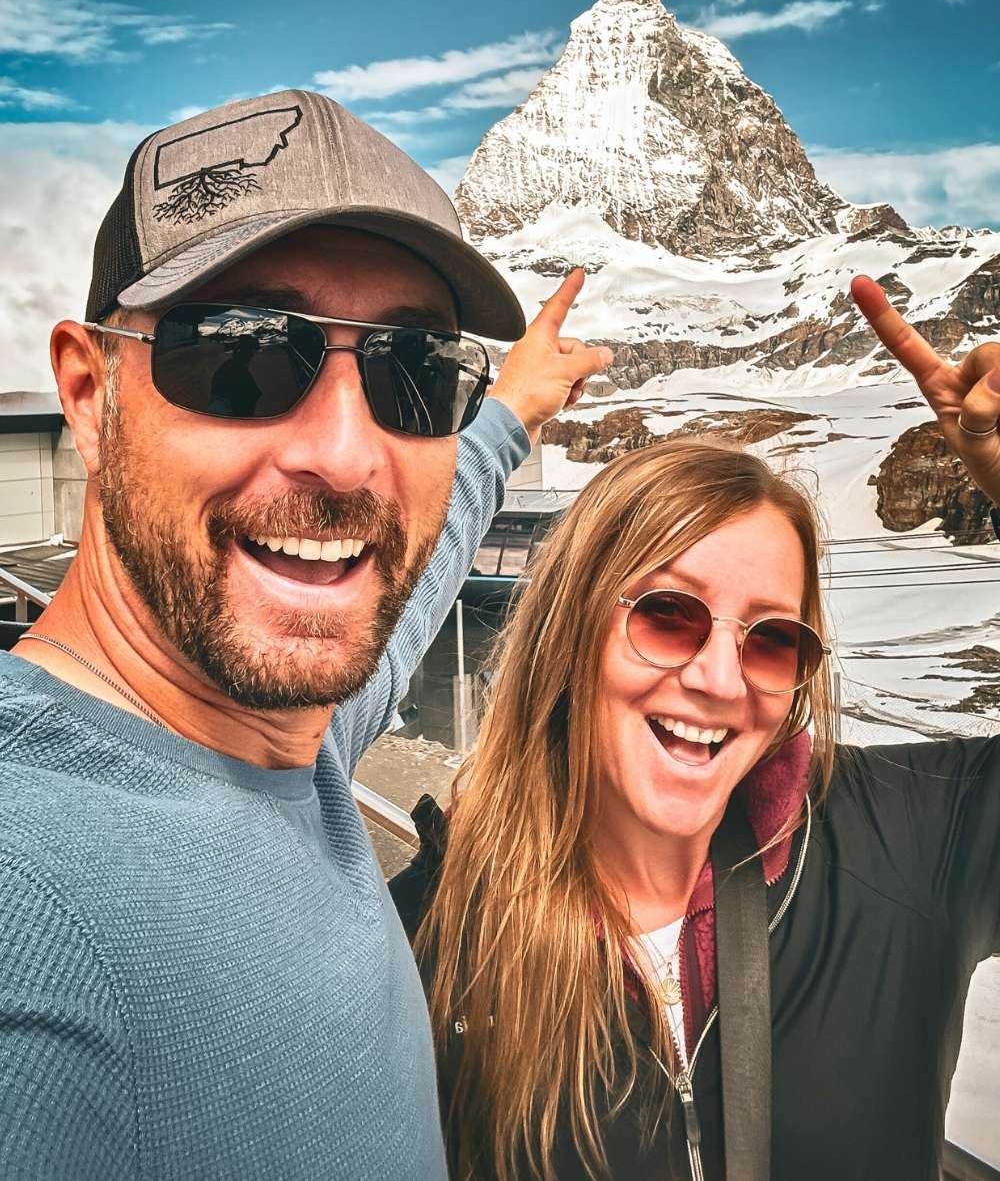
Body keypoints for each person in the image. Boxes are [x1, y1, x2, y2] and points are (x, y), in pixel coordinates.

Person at [0, 90, 612, 1181]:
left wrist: (510, 409)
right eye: (242, 355)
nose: (347, 454)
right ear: (90, 399)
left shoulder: (294, 728)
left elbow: (405, 566)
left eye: (415, 374)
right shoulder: (28, 891)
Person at [390, 275, 1000, 1181]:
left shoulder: (909, 839)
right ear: (570, 631)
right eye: (669, 615)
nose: (718, 680)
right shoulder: (425, 943)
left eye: (774, 639)